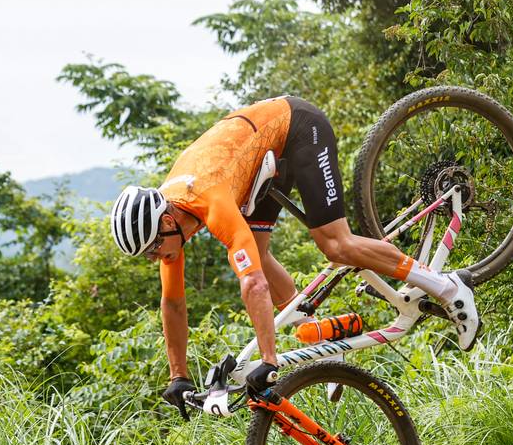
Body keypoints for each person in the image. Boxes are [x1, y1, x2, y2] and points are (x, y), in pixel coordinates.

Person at [108, 95, 479, 412]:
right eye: (147, 254)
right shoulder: (168, 228)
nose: (156, 257)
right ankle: (323, 340)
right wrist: (178, 376)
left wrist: (269, 361)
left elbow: (251, 283)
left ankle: (448, 288)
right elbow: (172, 304)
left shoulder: (209, 200)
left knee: (335, 244)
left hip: (296, 127)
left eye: (155, 246)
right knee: (260, 255)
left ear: (168, 219)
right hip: (258, 164)